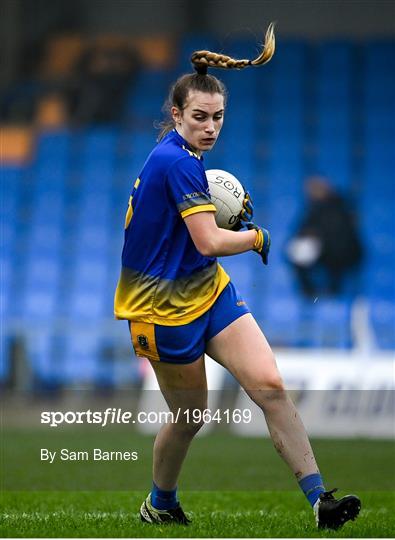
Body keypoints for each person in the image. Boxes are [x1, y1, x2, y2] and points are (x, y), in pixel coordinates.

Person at [114, 24, 360, 530]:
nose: (210, 127)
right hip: (160, 309)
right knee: (190, 419)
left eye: (217, 117)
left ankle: (321, 501)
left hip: (206, 289)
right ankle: (159, 502)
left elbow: (197, 246)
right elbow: (208, 240)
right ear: (176, 115)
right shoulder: (177, 164)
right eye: (199, 117)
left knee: (269, 384)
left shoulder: (181, 154)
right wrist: (257, 238)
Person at [286, 175, 363, 298]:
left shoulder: (340, 205)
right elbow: (301, 231)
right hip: (322, 251)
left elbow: (343, 233)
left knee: (337, 250)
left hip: (343, 252)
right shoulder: (312, 208)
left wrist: (319, 237)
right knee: (297, 250)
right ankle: (309, 292)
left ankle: (334, 290)